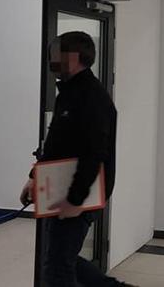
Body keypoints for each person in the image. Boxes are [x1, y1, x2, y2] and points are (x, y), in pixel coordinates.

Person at [19, 31, 133, 287]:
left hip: (79, 195)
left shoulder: (93, 98)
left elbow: (94, 153)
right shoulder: (68, 94)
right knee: (60, 258)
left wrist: (75, 200)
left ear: (74, 58)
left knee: (57, 268)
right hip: (58, 188)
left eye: (56, 56)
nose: (52, 62)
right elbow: (55, 143)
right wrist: (34, 177)